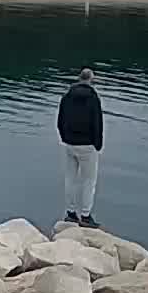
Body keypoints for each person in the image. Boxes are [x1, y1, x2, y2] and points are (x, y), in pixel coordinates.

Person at [57, 67, 104, 227]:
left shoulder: (67, 96)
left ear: (79, 78)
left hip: (70, 143)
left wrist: (64, 137)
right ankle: (85, 215)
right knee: (89, 180)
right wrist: (98, 144)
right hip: (87, 145)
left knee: (70, 178)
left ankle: (70, 212)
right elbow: (97, 123)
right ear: (91, 80)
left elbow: (60, 119)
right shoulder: (93, 98)